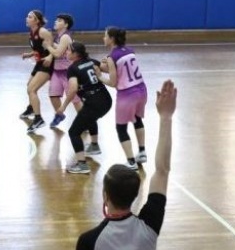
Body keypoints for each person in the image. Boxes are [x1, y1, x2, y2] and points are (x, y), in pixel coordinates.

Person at [76, 80, 177, 250]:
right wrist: (166, 118)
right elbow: (162, 171)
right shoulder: (149, 224)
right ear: (135, 195)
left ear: (105, 196)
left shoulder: (89, 241)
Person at [53, 42, 112, 174]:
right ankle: (94, 145)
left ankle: (82, 164)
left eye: (68, 51)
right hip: (106, 100)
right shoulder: (92, 61)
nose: (66, 53)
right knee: (90, 117)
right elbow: (109, 70)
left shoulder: (73, 69)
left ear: (75, 54)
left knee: (73, 132)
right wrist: (109, 62)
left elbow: (73, 89)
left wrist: (63, 106)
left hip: (94, 102)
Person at [101, 27, 149, 170]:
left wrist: (99, 77)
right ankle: (142, 152)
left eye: (105, 36)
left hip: (127, 94)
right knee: (137, 119)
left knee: (121, 128)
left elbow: (113, 82)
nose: (103, 38)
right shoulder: (129, 50)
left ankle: (131, 161)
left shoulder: (112, 57)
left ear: (111, 39)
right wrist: (106, 65)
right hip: (141, 89)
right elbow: (119, 68)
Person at [46, 13, 84, 129]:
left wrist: (48, 46)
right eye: (56, 20)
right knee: (53, 95)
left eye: (59, 20)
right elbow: (58, 48)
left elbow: (57, 53)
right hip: (57, 71)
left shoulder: (65, 37)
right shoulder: (59, 36)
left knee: (75, 100)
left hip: (68, 72)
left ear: (66, 25)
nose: (56, 22)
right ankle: (60, 115)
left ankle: (85, 121)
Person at [20, 10, 54, 132]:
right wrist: (30, 54)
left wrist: (50, 57)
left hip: (47, 64)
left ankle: (39, 119)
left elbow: (53, 48)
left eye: (30, 17)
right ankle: (31, 108)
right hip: (40, 62)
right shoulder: (32, 32)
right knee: (29, 85)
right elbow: (39, 49)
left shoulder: (43, 32)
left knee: (31, 89)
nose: (27, 18)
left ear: (37, 20)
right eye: (27, 16)